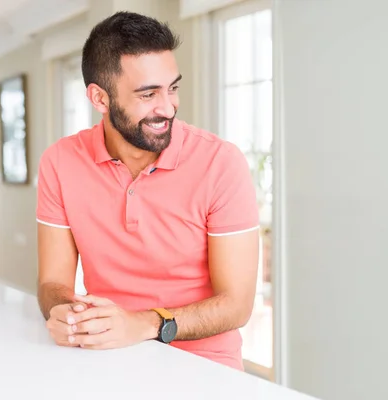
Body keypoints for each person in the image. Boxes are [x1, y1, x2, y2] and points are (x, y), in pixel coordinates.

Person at [35, 11, 260, 371]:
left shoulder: (221, 163)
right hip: (106, 357)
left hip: (205, 367)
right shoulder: (60, 162)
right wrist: (65, 311)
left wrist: (143, 324)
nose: (167, 107)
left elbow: (237, 305)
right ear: (99, 98)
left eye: (172, 88)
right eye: (148, 94)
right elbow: (52, 282)